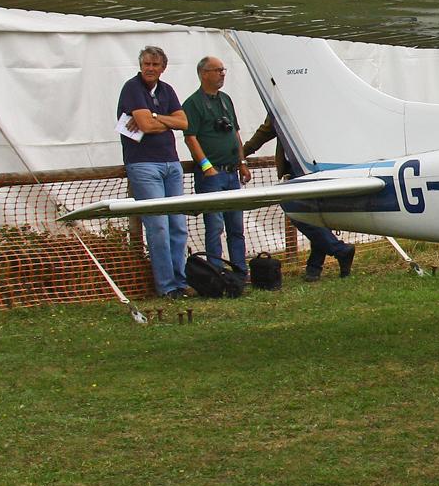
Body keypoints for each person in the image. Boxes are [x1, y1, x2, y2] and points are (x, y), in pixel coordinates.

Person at [243, 113, 355, 280]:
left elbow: (266, 130)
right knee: (313, 216)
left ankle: (339, 251)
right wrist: (244, 151)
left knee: (299, 214)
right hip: (305, 166)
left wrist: (243, 151)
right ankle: (314, 268)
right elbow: (269, 129)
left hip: (309, 166)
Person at [117, 45, 190, 299]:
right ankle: (167, 286)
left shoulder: (167, 90)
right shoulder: (132, 88)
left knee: (178, 225)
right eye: (147, 64)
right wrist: (163, 122)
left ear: (163, 68)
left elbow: (183, 122)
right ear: (141, 65)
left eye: (155, 65)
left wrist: (157, 116)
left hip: (171, 163)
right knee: (158, 226)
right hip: (144, 164)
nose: (150, 68)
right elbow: (146, 126)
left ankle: (181, 282)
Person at [181, 55, 250, 282]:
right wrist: (206, 165)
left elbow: (235, 133)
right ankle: (216, 273)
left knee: (236, 227)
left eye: (223, 69)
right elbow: (190, 138)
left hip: (232, 172)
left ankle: (240, 272)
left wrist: (242, 163)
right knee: (215, 227)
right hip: (212, 175)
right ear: (203, 74)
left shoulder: (226, 100)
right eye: (217, 70)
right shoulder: (192, 104)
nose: (222, 73)